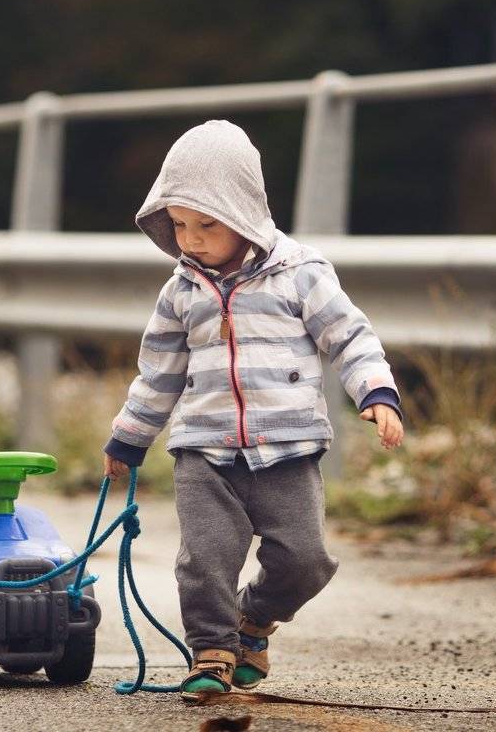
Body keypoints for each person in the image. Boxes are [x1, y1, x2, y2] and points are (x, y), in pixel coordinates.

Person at [101, 118, 405, 701]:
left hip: (288, 450)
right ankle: (211, 651)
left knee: (306, 561)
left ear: (243, 213)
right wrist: (129, 438)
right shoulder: (181, 293)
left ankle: (252, 621)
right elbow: (158, 374)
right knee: (205, 559)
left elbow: (350, 337)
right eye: (179, 225)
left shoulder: (301, 275)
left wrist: (375, 391)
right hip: (203, 450)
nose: (190, 239)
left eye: (206, 225)